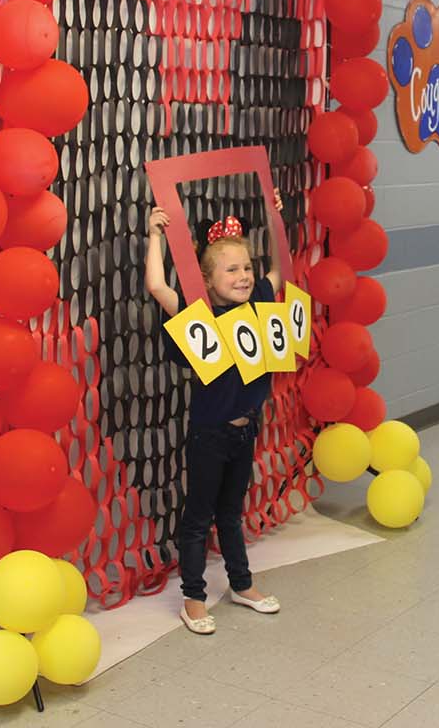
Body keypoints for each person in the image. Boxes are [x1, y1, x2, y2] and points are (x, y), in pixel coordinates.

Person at [145, 190, 286, 635]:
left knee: (232, 513)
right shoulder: (201, 317)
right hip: (210, 433)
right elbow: (157, 286)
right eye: (232, 270)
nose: (244, 276)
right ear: (208, 280)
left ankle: (241, 584)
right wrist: (155, 236)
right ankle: (193, 597)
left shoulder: (260, 301)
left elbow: (280, 269)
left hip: (246, 432)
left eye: (246, 268)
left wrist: (272, 216)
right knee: (199, 516)